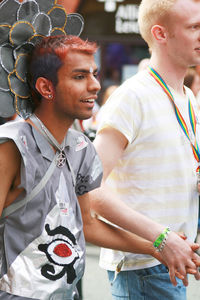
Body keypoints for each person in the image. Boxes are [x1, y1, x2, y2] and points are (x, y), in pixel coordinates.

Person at [1, 1, 194, 299]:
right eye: (79, 77)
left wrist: (160, 246)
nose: (94, 85)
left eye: (94, 73)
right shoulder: (12, 145)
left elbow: (87, 222)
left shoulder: (79, 147)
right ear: (46, 87)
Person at [85, 0, 200, 299]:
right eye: (194, 27)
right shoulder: (132, 96)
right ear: (160, 34)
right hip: (144, 268)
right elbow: (90, 187)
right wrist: (161, 238)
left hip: (171, 261)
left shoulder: (187, 96)